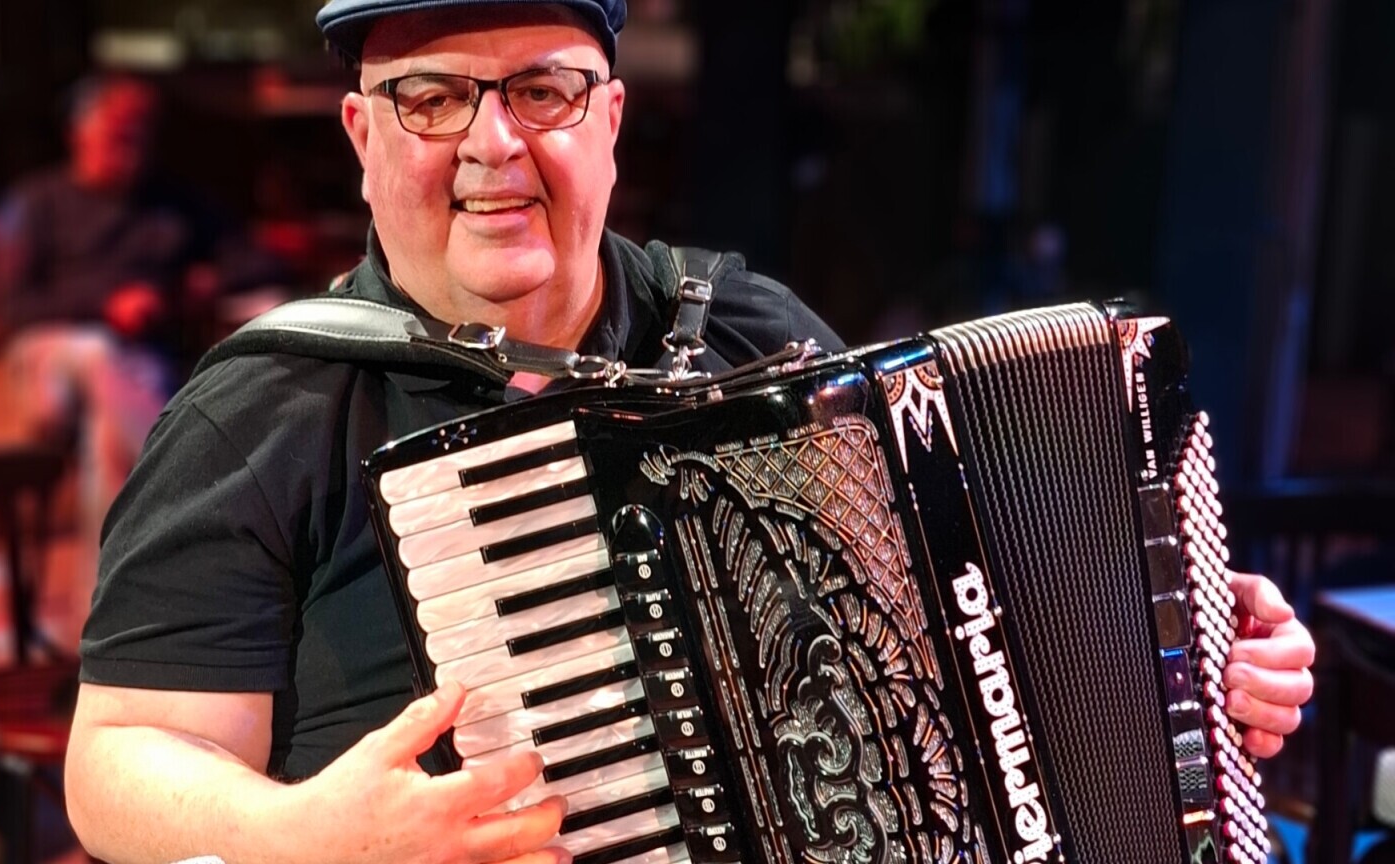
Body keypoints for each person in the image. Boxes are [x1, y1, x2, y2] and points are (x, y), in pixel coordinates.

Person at [64, 2, 1317, 863]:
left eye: (541, 90)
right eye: (432, 98)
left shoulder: (751, 334)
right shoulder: (264, 412)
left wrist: (1188, 660)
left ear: (608, 119)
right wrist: (315, 838)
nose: (492, 144)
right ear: (364, 135)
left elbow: (954, 617)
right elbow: (119, 758)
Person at [0, 74, 277, 648]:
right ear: (79, 132)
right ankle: (186, 488)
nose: (134, 145)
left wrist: (202, 282)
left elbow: (256, 260)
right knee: (102, 355)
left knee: (109, 434)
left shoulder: (171, 203)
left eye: (142, 133)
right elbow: (12, 308)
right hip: (48, 359)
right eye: (119, 133)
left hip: (129, 374)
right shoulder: (37, 201)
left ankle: (93, 630)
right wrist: (105, 304)